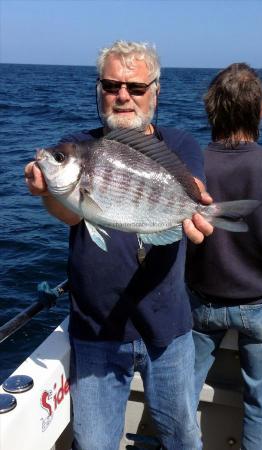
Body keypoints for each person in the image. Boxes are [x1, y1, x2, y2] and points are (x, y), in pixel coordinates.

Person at [25, 40, 213, 450]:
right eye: (111, 86)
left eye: (136, 88)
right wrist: (47, 191)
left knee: (184, 438)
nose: (123, 96)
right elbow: (75, 214)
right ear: (98, 89)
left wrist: (196, 205)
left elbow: (193, 188)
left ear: (156, 91)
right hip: (95, 331)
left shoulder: (179, 144)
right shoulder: (78, 145)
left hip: (169, 329)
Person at [186, 63, 262, 450]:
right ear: (260, 112)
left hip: (201, 304)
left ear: (211, 111)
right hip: (261, 307)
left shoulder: (188, 168)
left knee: (181, 397)